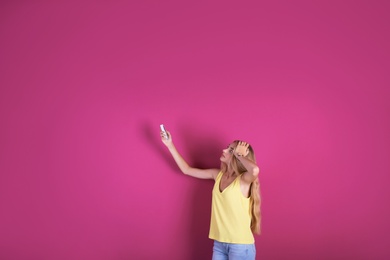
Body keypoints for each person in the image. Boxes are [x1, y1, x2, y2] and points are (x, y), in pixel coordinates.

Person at [160, 128, 261, 260]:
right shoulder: (217, 175)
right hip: (219, 243)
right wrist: (170, 145)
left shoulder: (243, 181)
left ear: (237, 156)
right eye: (227, 148)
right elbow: (187, 170)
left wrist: (239, 155)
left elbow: (254, 170)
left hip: (240, 245)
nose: (224, 150)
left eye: (230, 150)